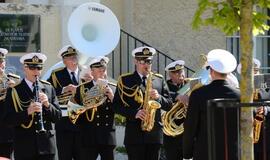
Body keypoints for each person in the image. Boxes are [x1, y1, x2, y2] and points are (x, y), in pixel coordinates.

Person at [113, 46, 173, 160]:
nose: (147, 65)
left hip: (154, 135)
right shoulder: (125, 80)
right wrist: (134, 113)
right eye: (143, 61)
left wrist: (159, 97)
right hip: (134, 135)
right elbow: (115, 106)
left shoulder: (159, 80)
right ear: (135, 61)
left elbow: (169, 104)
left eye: (149, 61)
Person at [183, 49, 240, 160]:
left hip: (205, 152)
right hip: (232, 153)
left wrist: (187, 154)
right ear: (228, 73)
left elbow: (190, 127)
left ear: (211, 71)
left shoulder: (198, 94)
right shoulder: (240, 95)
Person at [3, 52, 61, 160]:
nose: (36, 71)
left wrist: (47, 105)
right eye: (32, 68)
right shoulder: (14, 90)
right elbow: (7, 119)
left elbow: (57, 117)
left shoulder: (48, 88)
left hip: (47, 147)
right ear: (25, 68)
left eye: (39, 68)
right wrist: (27, 112)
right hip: (25, 147)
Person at [71, 56, 116, 160]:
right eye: (99, 70)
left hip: (107, 136)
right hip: (89, 136)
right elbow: (73, 113)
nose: (102, 73)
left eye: (104, 70)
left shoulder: (113, 87)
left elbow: (121, 110)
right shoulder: (82, 88)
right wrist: (92, 96)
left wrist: (112, 98)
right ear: (92, 71)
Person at [47, 45, 84, 160]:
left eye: (74, 56)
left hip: (83, 124)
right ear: (64, 60)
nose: (73, 59)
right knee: (65, 156)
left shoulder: (86, 72)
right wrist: (64, 89)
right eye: (69, 57)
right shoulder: (56, 74)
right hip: (64, 124)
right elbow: (48, 91)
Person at [238, 58, 270, 160]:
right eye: (252, 71)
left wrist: (265, 109)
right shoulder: (239, 88)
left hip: (265, 134)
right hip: (246, 133)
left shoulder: (267, 88)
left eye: (256, 71)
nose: (255, 74)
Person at [163, 60, 186, 160]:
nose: (181, 75)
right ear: (170, 75)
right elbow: (161, 96)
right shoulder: (165, 86)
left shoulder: (190, 85)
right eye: (177, 73)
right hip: (171, 133)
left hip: (187, 130)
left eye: (182, 72)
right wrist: (177, 96)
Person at [0, 48, 20, 159]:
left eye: (1, 61)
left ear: (5, 63)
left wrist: (15, 90)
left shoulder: (14, 80)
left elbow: (22, 102)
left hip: (7, 130)